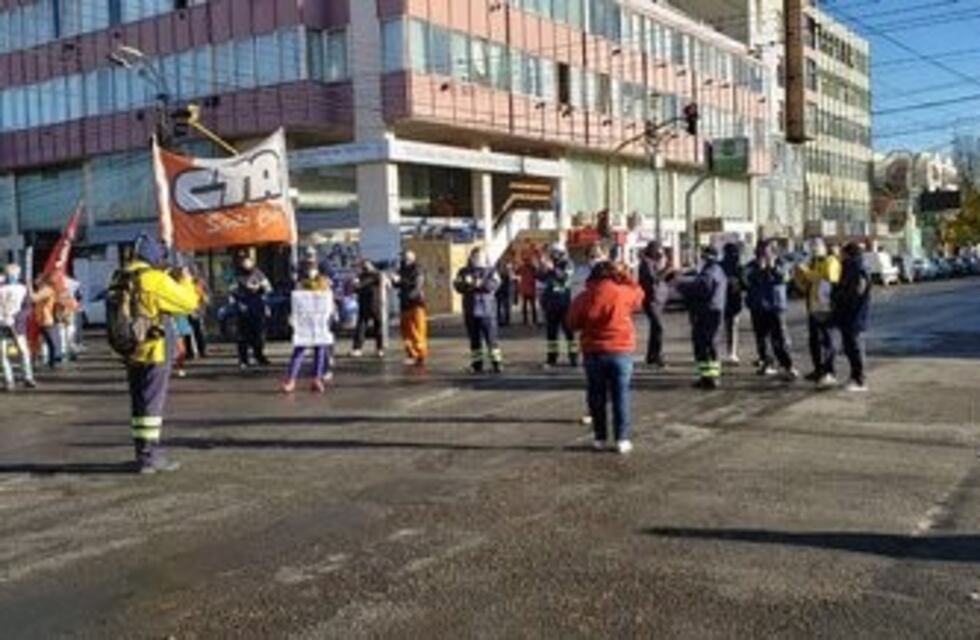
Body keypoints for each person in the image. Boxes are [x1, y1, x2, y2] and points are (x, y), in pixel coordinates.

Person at [120, 234, 200, 473]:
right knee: (152, 405)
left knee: (138, 405)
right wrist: (184, 280)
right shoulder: (153, 279)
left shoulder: (122, 276)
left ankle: (141, 452)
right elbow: (189, 303)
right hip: (154, 349)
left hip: (130, 348)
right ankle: (150, 457)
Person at [567, 253, 644, 455]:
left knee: (596, 395)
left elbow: (572, 322)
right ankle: (622, 438)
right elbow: (639, 293)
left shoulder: (584, 297)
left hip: (593, 351)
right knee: (621, 395)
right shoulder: (622, 293)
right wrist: (625, 275)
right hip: (620, 350)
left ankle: (600, 438)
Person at [745, 240, 798, 380]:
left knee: (780, 338)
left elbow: (785, 278)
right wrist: (759, 269)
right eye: (761, 251)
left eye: (767, 251)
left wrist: (772, 267)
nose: (763, 254)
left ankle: (788, 366)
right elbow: (745, 279)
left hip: (775, 306)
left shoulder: (782, 263)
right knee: (761, 338)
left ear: (774, 252)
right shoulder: (752, 265)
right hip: (757, 306)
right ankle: (767, 363)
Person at [283, 257, 335, 394]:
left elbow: (329, 299)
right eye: (308, 265)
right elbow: (295, 302)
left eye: (313, 265)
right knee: (299, 349)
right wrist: (292, 316)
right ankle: (291, 379)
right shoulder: (300, 283)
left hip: (319, 321)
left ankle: (316, 379)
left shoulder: (324, 281)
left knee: (320, 350)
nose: (311, 269)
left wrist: (332, 312)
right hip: (304, 322)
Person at [795, 237, 841, 389]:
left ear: (824, 247)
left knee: (827, 341)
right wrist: (800, 277)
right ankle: (818, 369)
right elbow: (806, 286)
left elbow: (828, 279)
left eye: (817, 246)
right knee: (814, 340)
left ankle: (830, 372)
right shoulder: (812, 262)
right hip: (813, 307)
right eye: (812, 246)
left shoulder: (831, 261)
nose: (814, 249)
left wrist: (807, 273)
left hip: (826, 308)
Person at [682, 246, 727, 390]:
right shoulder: (717, 270)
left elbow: (702, 289)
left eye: (702, 256)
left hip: (706, 312)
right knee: (709, 345)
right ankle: (709, 376)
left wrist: (682, 286)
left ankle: (709, 377)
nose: (700, 258)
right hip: (713, 311)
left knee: (704, 346)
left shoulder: (710, 271)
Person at [454, 247, 503, 373]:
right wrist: (467, 284)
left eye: (480, 257)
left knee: (492, 340)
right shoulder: (464, 271)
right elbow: (457, 286)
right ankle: (477, 365)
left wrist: (478, 284)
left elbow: (494, 285)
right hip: (471, 311)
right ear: (471, 257)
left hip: (487, 311)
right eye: (475, 257)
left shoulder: (491, 271)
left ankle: (497, 363)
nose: (477, 259)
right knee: (474, 341)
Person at [833, 242, 872, 392]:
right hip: (848, 313)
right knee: (850, 346)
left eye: (842, 253)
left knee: (855, 346)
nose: (840, 255)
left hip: (855, 314)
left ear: (848, 254)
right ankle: (854, 376)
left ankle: (859, 379)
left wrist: (839, 295)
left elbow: (856, 291)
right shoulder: (850, 267)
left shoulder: (858, 268)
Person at [537, 243, 578, 368]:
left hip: (564, 304)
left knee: (569, 332)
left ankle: (573, 357)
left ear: (561, 252)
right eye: (551, 252)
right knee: (551, 334)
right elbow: (541, 279)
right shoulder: (550, 263)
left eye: (554, 252)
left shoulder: (568, 263)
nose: (552, 254)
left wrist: (552, 268)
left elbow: (565, 277)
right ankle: (552, 358)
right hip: (551, 304)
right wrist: (541, 267)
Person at [230, 254, 272, 369]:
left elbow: (268, 288)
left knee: (259, 335)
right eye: (244, 263)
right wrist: (239, 301)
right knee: (242, 336)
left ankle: (259, 356)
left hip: (257, 308)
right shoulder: (237, 276)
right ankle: (243, 360)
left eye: (249, 262)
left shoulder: (259, 274)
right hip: (243, 309)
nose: (247, 265)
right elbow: (232, 291)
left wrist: (259, 288)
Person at [0, 263, 36, 391]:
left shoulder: (23, 289)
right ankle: (9, 380)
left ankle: (27, 377)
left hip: (17, 325)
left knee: (23, 352)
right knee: (2, 354)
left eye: (13, 274)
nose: (12, 276)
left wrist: (15, 318)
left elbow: (28, 308)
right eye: (9, 273)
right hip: (1, 325)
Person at [637, 241, 671, 368]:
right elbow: (653, 279)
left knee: (655, 328)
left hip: (658, 299)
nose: (660, 253)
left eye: (661, 251)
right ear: (651, 250)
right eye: (658, 250)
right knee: (658, 328)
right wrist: (666, 270)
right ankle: (657, 356)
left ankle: (651, 356)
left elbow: (661, 279)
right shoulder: (646, 263)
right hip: (651, 300)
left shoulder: (654, 263)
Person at [397, 250, 428, 366]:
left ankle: (421, 355)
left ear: (412, 258)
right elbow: (399, 284)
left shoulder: (417, 269)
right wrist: (394, 281)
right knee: (406, 332)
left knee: (418, 331)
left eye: (406, 257)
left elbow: (416, 286)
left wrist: (401, 282)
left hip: (416, 304)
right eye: (403, 257)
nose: (404, 259)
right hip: (404, 304)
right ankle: (411, 354)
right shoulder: (401, 268)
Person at [351, 259, 385, 358]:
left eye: (366, 265)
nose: (364, 267)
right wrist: (355, 284)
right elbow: (356, 289)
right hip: (363, 304)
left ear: (371, 264)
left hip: (375, 304)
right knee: (361, 328)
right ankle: (357, 348)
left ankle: (380, 348)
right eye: (363, 266)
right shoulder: (361, 275)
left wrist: (357, 283)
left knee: (378, 327)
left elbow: (364, 284)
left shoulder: (376, 274)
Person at [720, 242, 745, 365]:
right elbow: (745, 284)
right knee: (732, 327)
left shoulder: (734, 266)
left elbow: (745, 283)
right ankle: (731, 352)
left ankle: (731, 352)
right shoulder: (737, 266)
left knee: (730, 326)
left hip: (729, 300)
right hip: (731, 299)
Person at [32, 275, 60, 369]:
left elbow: (34, 298)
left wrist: (28, 287)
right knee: (36, 342)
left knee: (51, 343)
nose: (35, 280)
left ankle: (52, 363)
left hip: (45, 320)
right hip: (39, 319)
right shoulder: (42, 289)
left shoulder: (47, 290)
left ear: (43, 281)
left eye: (37, 278)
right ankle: (43, 362)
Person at [517, 255, 539, 326]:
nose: (527, 262)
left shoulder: (525, 267)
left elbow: (516, 272)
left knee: (526, 306)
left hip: (526, 289)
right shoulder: (532, 268)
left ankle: (526, 321)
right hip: (530, 289)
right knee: (531, 306)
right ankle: (533, 320)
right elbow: (537, 275)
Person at [496, 259, 514, 327]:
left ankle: (504, 321)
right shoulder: (500, 272)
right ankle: (504, 321)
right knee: (503, 307)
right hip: (503, 291)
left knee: (504, 307)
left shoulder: (506, 272)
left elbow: (511, 280)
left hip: (505, 291)